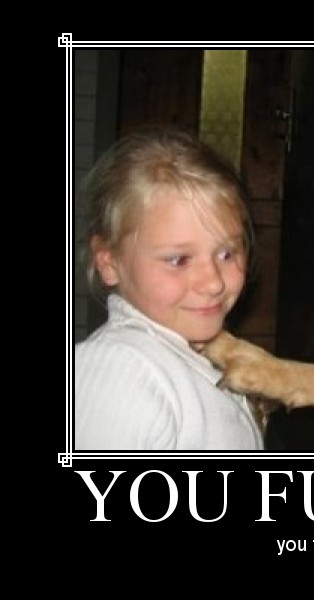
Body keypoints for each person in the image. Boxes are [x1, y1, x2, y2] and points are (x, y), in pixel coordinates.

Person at [75, 126, 264, 450]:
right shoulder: (120, 369)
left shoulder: (193, 351)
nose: (214, 282)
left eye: (227, 253)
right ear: (109, 263)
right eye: (178, 260)